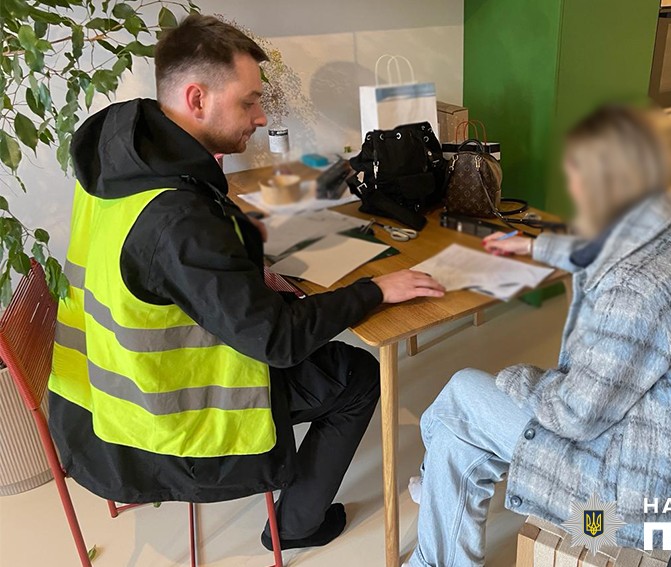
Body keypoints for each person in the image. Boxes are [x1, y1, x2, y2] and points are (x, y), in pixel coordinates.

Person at [47, 14, 445, 552]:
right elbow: (277, 341)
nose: (261, 117)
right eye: (249, 102)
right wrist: (377, 290)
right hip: (162, 423)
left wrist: (234, 245)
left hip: (97, 400)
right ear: (196, 98)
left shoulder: (122, 159)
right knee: (357, 376)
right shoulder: (178, 219)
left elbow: (162, 268)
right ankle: (297, 526)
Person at [405, 106, 671, 566]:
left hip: (625, 503)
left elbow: (574, 415)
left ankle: (433, 494)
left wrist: (515, 379)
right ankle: (434, 501)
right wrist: (534, 245)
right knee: (456, 433)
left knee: (461, 396)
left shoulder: (635, 288)